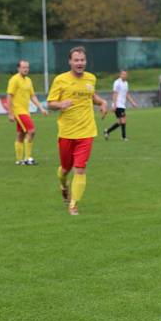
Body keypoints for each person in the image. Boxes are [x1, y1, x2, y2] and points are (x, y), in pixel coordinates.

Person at [46, 46, 108, 216]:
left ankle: (73, 204)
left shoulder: (91, 79)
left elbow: (91, 96)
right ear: (70, 62)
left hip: (87, 131)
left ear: (85, 61)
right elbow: (50, 103)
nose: (80, 63)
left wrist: (102, 102)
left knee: (80, 168)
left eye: (82, 60)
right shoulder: (60, 80)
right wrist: (60, 104)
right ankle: (63, 184)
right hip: (66, 132)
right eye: (76, 60)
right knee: (65, 168)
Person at [6, 60, 48, 165]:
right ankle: (28, 158)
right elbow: (9, 96)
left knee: (21, 134)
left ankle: (19, 160)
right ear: (18, 68)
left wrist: (41, 108)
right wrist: (10, 113)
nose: (26, 69)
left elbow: (32, 96)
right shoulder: (14, 80)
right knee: (31, 131)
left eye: (27, 67)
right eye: (24, 67)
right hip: (18, 111)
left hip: (25, 111)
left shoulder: (28, 80)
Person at [104, 69, 138, 141]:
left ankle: (107, 131)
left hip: (122, 105)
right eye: (123, 74)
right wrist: (115, 105)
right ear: (120, 75)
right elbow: (115, 94)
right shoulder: (117, 82)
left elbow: (127, 94)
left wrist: (133, 103)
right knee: (123, 120)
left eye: (125, 74)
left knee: (120, 122)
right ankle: (123, 137)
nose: (124, 76)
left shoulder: (126, 83)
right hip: (118, 104)